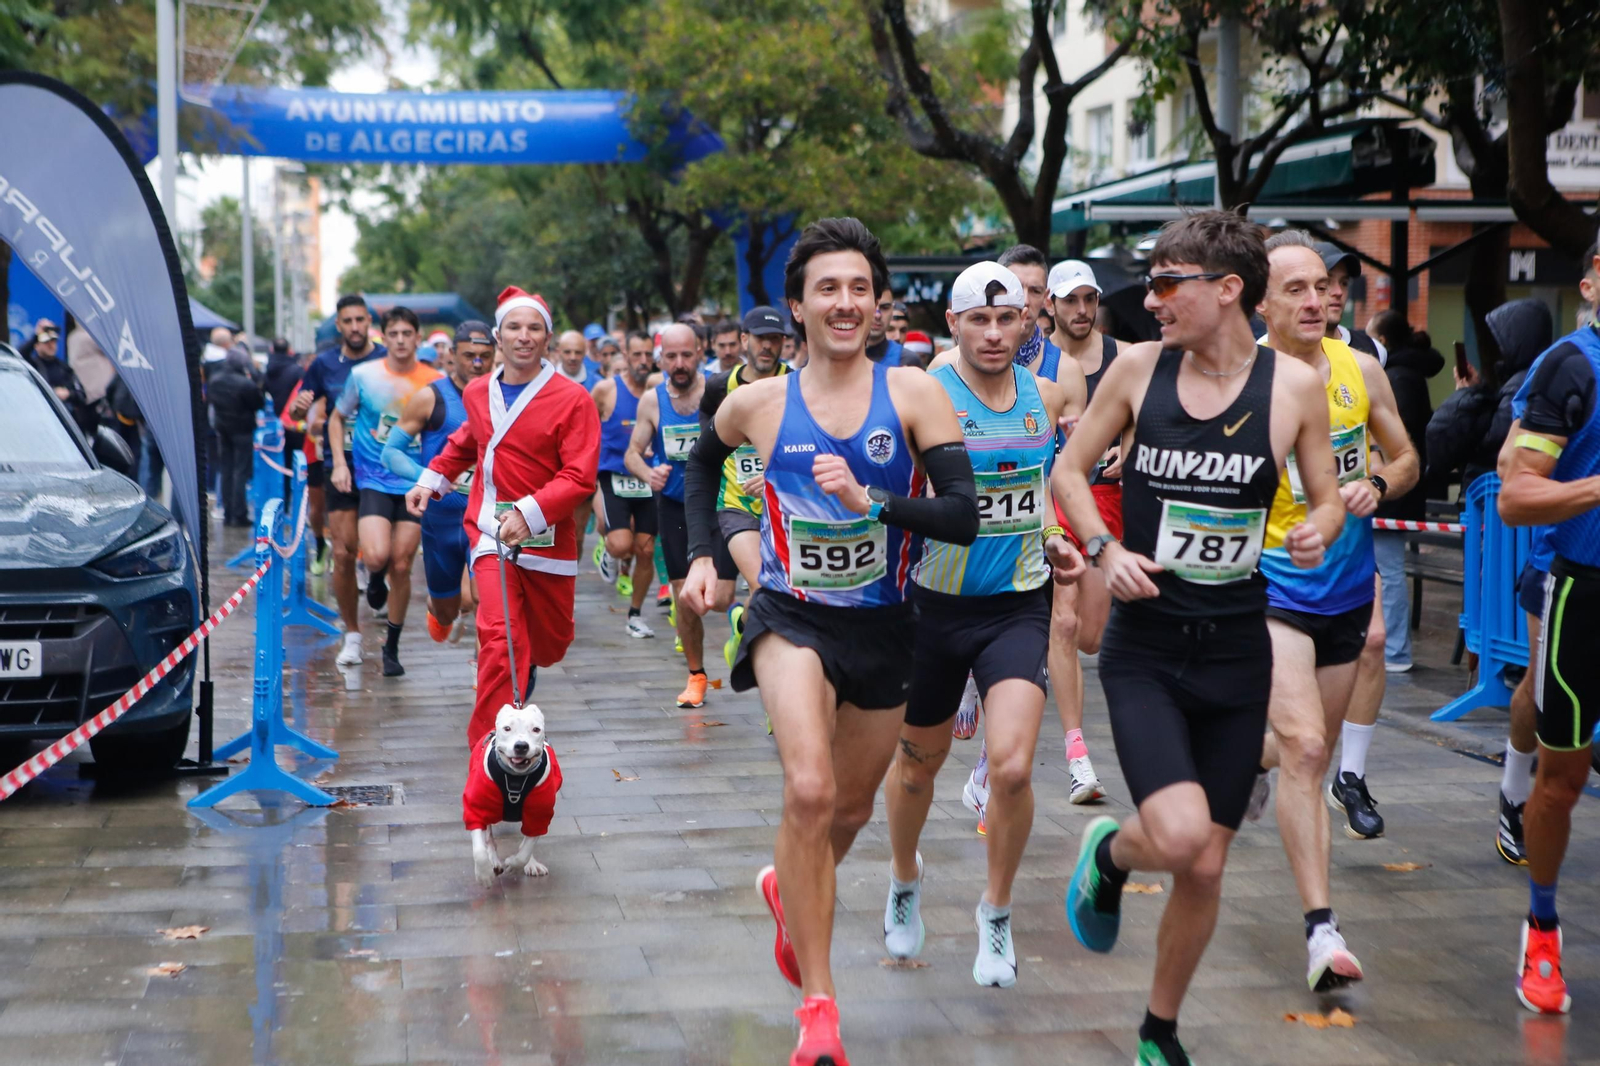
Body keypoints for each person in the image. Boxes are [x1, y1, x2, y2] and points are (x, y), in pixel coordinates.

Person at [678, 218, 978, 1066]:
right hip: (793, 618)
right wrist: (705, 555)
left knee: (846, 812)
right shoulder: (758, 403)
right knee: (808, 790)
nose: (845, 304)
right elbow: (702, 468)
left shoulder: (915, 394)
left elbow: (963, 516)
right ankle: (819, 1006)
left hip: (886, 626)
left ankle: (788, 887)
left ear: (878, 306)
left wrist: (873, 507)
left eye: (859, 290)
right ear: (798, 307)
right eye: (828, 290)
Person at [1054, 211, 1343, 1066]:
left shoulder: (1292, 388)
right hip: (1146, 646)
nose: (1151, 299)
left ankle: (1158, 1033)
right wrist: (1104, 550)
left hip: (1235, 648)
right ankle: (1109, 853)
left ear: (1227, 291)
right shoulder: (1139, 371)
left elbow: (1326, 492)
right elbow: (1069, 470)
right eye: (1150, 281)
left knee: (1207, 866)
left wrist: (1320, 526)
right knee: (1177, 837)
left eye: (1167, 282)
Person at [881, 261, 1084, 989]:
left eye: (1008, 319)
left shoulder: (1049, 395)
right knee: (917, 767)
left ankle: (995, 912)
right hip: (933, 606)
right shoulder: (925, 395)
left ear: (1029, 320)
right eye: (978, 320)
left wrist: (1057, 532)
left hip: (1017, 604)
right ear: (954, 325)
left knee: (1014, 765)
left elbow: (1043, 490)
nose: (994, 333)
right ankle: (905, 878)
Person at [1248, 231, 1418, 993]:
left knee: (1291, 755)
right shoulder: (1239, 379)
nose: (1316, 300)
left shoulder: (1363, 369)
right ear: (1261, 302)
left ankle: (1245, 763)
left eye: (1323, 286)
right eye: (1296, 289)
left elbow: (1408, 457)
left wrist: (1376, 487)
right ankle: (1323, 931)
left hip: (1345, 592)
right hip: (1271, 587)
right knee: (1310, 750)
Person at [407, 287, 600, 746]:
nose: (524, 336)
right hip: (490, 532)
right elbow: (465, 442)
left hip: (548, 540)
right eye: (514, 327)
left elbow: (580, 476)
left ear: (547, 337)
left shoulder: (574, 399)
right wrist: (430, 479)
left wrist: (531, 514)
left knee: (546, 644)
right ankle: (486, 749)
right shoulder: (478, 392)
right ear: (498, 336)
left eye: (534, 327)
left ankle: (518, 681)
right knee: (499, 636)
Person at [1495, 236, 1600, 1016]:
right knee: (1562, 782)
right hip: (1584, 595)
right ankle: (1541, 924)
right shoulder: (1572, 365)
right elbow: (1516, 497)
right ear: (1593, 281)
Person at [1489, 290, 1578, 871]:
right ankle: (1515, 795)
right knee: (1541, 691)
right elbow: (1507, 468)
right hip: (1560, 562)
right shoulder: (1565, 364)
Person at [328, 306, 438, 677]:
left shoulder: (433, 380)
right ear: (384, 337)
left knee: (403, 563)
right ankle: (374, 577)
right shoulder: (363, 375)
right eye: (395, 334)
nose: (402, 340)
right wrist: (341, 465)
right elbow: (337, 417)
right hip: (373, 478)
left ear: (418, 338)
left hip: (413, 482)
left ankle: (391, 647)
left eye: (409, 333)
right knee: (376, 557)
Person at [382, 320, 497, 646]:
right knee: (449, 608)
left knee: (484, 601)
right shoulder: (431, 398)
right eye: (469, 355)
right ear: (452, 355)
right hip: (441, 522)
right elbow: (391, 454)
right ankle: (438, 611)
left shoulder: (504, 397)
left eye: (485, 356)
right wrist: (432, 479)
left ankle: (486, 680)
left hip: (486, 519)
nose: (477, 363)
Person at [292, 296, 386, 667]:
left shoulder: (385, 359)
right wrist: (301, 407)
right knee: (344, 553)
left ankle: (377, 575)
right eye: (347, 321)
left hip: (382, 465)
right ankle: (352, 633)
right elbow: (303, 403)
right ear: (338, 326)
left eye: (360, 320)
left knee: (381, 551)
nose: (354, 327)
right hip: (340, 462)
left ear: (369, 321)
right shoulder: (325, 363)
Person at [627, 324, 715, 708]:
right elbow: (633, 452)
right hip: (676, 505)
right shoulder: (651, 400)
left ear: (700, 353)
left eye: (687, 355)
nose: (679, 365)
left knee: (727, 593)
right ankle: (696, 675)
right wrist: (650, 474)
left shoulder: (719, 390)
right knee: (685, 596)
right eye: (671, 357)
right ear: (660, 359)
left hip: (722, 503)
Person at [699, 305, 792, 667]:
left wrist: (775, 473)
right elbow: (704, 452)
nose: (767, 346)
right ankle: (776, 688)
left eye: (775, 339)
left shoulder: (797, 383)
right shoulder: (720, 386)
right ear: (744, 341)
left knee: (763, 596)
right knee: (765, 588)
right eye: (760, 338)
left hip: (782, 506)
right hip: (736, 506)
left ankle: (743, 627)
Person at [1365, 311, 1445, 672]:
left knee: (1389, 570)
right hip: (1393, 492)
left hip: (1392, 493)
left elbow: (1399, 443)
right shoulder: (1405, 374)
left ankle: (1395, 651)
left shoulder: (1396, 378)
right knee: (1387, 569)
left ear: (1381, 341)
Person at [592, 332, 661, 632]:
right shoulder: (606, 390)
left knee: (645, 550)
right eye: (637, 355)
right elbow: (585, 427)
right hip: (614, 477)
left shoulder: (661, 388)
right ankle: (608, 551)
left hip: (650, 478)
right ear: (626, 354)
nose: (643, 361)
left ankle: (635, 614)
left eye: (648, 355)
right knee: (622, 544)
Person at [206, 346, 266, 527]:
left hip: (223, 428)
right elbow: (258, 403)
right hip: (242, 430)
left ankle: (228, 511)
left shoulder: (215, 380)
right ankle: (239, 514)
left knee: (226, 470)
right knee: (240, 472)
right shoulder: (244, 383)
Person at [22, 319, 96, 435]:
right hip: (39, 422)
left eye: (54, 341)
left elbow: (82, 395)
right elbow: (20, 354)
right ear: (37, 345)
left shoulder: (64, 368)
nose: (51, 345)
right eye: (46, 342)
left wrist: (67, 394)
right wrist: (37, 335)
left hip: (64, 424)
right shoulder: (32, 365)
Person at [1316, 244, 1386, 364]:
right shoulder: (1277, 350)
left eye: (1344, 282)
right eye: (1326, 282)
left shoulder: (1374, 350)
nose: (1338, 292)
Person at [865, 288, 906, 366]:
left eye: (885, 307)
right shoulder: (839, 355)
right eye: (871, 306)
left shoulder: (907, 359)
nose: (877, 315)